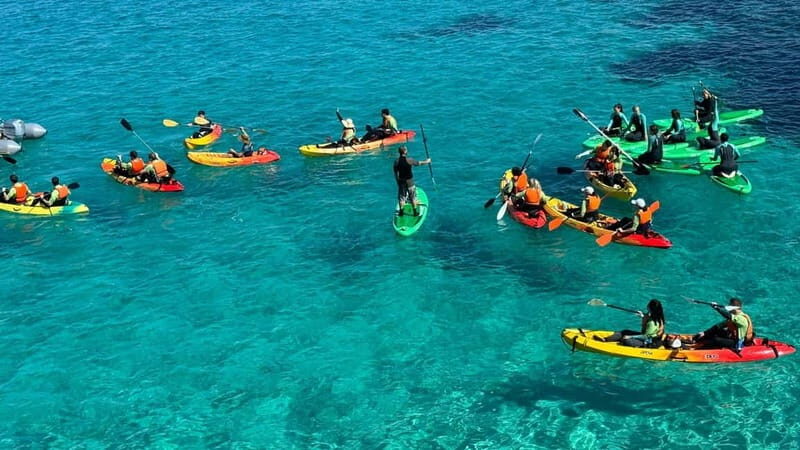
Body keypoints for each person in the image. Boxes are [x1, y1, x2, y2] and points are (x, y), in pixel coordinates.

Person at [595, 299, 666, 348]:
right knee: (625, 332)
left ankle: (624, 341)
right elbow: (647, 318)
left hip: (649, 342)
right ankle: (605, 340)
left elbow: (645, 336)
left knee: (626, 340)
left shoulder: (652, 323)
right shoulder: (657, 317)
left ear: (650, 308)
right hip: (647, 337)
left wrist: (631, 337)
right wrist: (643, 316)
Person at [393, 146, 431, 216]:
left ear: (399, 152)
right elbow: (419, 163)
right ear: (405, 151)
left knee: (402, 198)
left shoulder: (396, 162)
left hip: (401, 182)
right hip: (410, 182)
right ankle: (415, 212)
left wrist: (397, 182)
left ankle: (401, 212)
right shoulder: (409, 160)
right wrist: (427, 161)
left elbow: (395, 173)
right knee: (413, 197)